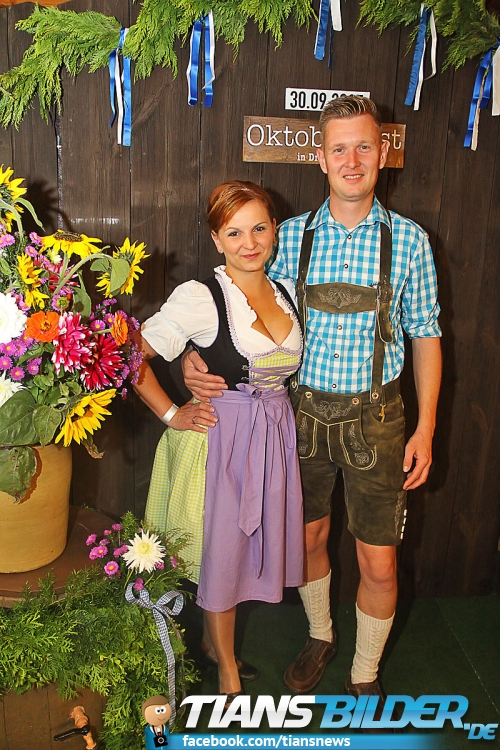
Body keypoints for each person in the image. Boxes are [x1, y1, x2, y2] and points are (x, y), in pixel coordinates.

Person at [182, 96, 442, 704]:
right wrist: (194, 356)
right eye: (338, 149)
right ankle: (321, 634)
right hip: (297, 418)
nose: (352, 160)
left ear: (382, 153)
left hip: (379, 419)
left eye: (363, 147)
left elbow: (427, 336)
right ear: (320, 158)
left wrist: (426, 428)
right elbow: (230, 298)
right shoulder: (287, 235)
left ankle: (365, 670)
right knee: (306, 542)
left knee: (379, 562)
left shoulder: (410, 241)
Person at [134, 181, 304, 704]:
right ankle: (227, 668)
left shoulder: (286, 290)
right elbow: (129, 354)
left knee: (241, 551)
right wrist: (171, 412)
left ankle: (213, 645)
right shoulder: (201, 297)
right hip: (220, 441)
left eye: (259, 228)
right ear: (216, 238)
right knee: (223, 556)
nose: (249, 243)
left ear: (273, 230)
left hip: (271, 437)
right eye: (234, 232)